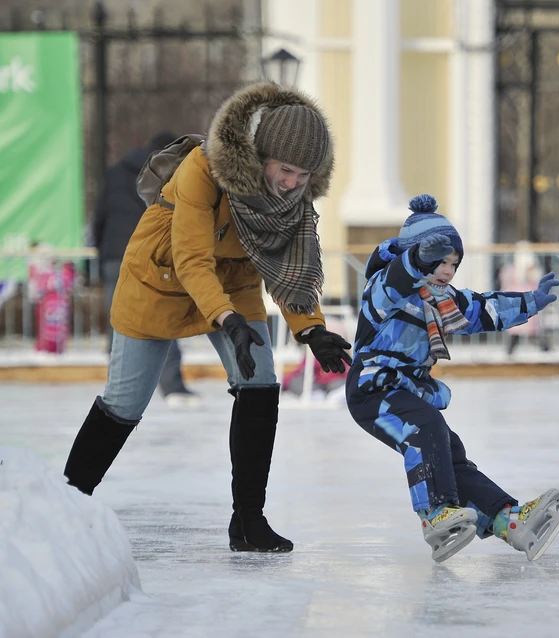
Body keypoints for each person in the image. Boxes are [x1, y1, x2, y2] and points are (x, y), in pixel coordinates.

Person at [63, 82, 352, 553]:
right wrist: (226, 319)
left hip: (233, 283)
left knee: (260, 384)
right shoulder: (204, 169)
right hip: (159, 281)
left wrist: (311, 328)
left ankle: (248, 521)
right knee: (125, 402)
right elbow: (192, 257)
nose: (292, 184)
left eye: (303, 176)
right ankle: (66, 503)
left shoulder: (293, 196)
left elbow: (293, 266)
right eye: (286, 171)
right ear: (263, 156)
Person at [345, 194, 559, 563]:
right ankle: (436, 513)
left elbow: (484, 309)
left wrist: (530, 301)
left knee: (449, 452)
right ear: (418, 257)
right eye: (440, 262)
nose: (448, 271)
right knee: (425, 427)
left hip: (405, 388)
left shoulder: (443, 300)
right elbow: (396, 279)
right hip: (373, 388)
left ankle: (508, 520)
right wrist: (417, 260)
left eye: (454, 263)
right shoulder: (384, 288)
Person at [92, 130, 202, 407]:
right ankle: (173, 388)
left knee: (119, 321)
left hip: (114, 255)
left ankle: (120, 388)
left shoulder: (117, 171)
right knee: (165, 316)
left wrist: (99, 253)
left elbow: (100, 215)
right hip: (151, 254)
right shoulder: (174, 170)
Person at [498, 241, 550, 355]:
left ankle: (544, 348)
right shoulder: (512, 271)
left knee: (528, 329)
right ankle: (543, 348)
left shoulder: (530, 271)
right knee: (520, 330)